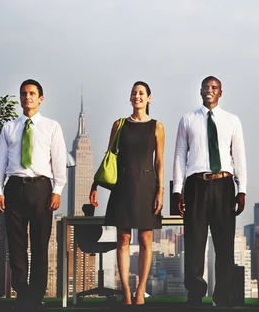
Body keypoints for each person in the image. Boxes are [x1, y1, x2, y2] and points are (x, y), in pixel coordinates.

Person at [172, 76, 247, 307]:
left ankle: (223, 295)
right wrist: (177, 190)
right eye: (206, 87)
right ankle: (195, 293)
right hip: (196, 184)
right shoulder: (187, 120)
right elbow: (179, 155)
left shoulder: (232, 121)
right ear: (200, 91)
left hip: (223, 185)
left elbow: (239, 157)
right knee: (195, 241)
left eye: (214, 88)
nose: (209, 91)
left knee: (224, 243)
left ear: (221, 92)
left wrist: (241, 189)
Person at [0, 79, 67, 310]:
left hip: (41, 189)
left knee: (39, 246)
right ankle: (22, 294)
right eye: (24, 93)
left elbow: (59, 162)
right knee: (16, 246)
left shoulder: (52, 127)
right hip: (14, 188)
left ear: (41, 98)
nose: (28, 97)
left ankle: (35, 297)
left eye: (32, 93)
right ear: (20, 98)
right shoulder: (9, 128)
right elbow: (0, 163)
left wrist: (57, 191)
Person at [89, 81, 164, 305]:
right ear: (130, 98)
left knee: (145, 238)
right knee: (123, 238)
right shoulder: (119, 124)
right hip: (123, 184)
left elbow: (159, 161)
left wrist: (160, 190)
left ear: (149, 98)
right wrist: (95, 185)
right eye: (134, 93)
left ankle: (140, 291)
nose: (137, 96)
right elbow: (109, 157)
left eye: (141, 93)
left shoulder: (157, 126)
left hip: (147, 185)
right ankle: (125, 292)